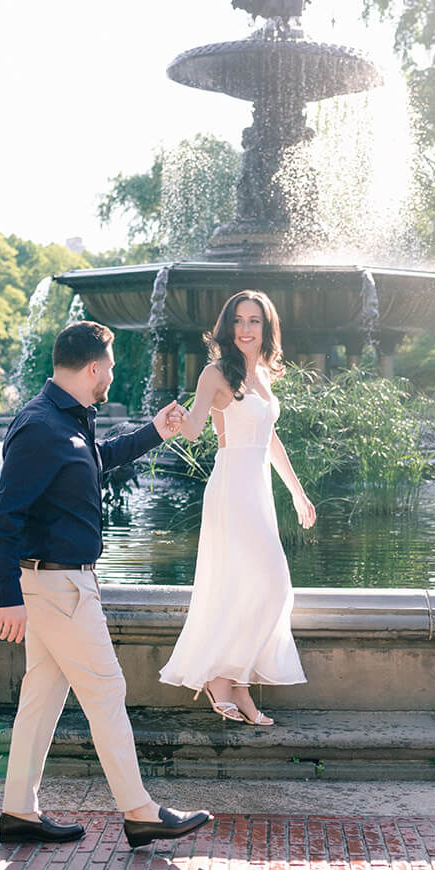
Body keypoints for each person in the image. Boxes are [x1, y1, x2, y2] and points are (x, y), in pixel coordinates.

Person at [0, 320, 211, 849]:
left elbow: (95, 461)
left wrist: (155, 431)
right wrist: (8, 597)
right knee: (107, 692)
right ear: (94, 368)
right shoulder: (41, 426)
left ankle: (19, 811)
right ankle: (139, 812)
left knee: (41, 698)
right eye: (110, 365)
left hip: (59, 585)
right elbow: (4, 518)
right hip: (59, 588)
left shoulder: (68, 420)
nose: (112, 373)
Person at [159, 290, 315, 724]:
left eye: (255, 322)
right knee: (273, 584)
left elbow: (270, 439)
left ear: (266, 328)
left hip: (258, 488)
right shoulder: (215, 372)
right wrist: (174, 420)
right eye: (239, 321)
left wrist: (298, 493)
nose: (246, 329)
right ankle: (220, 680)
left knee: (258, 587)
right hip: (231, 487)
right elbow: (193, 429)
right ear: (228, 327)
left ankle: (238, 683)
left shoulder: (264, 373)